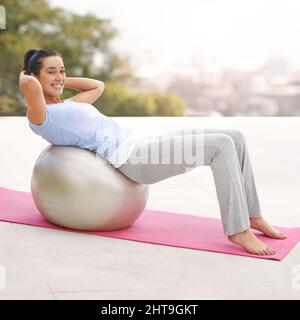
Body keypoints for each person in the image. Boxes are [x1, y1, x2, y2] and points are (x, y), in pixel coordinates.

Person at [19, 48, 287, 256]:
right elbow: (30, 88)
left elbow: (97, 85)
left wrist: (60, 80)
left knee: (234, 136)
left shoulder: (67, 103)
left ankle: (253, 215)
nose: (60, 76)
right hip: (133, 160)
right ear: (33, 76)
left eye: (62, 70)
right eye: (51, 71)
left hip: (141, 144)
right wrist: (30, 77)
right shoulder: (43, 116)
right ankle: (238, 230)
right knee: (220, 146)